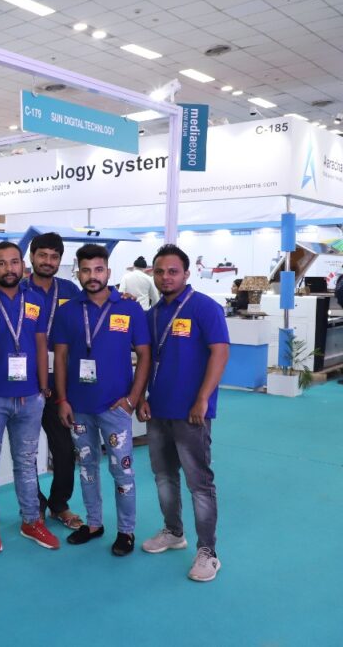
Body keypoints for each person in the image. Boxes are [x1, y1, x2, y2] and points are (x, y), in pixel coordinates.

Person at [137, 244, 229, 582]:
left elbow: (220, 352)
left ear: (187, 274)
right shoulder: (153, 314)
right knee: (164, 477)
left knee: (199, 484)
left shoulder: (205, 307)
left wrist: (203, 398)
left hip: (192, 413)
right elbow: (148, 359)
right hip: (158, 409)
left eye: (173, 271)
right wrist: (142, 397)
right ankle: (174, 532)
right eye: (160, 272)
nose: (166, 277)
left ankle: (208, 552)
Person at [53, 243, 151, 557]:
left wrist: (133, 399)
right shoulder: (68, 311)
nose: (92, 276)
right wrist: (62, 399)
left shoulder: (130, 308)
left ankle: (126, 530)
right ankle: (94, 524)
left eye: (98, 270)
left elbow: (145, 355)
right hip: (79, 407)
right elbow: (61, 357)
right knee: (87, 468)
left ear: (108, 272)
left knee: (122, 471)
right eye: (86, 270)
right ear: (78, 273)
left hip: (115, 407)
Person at [0, 241, 59, 555]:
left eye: (14, 262)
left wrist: (42, 386)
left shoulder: (35, 300)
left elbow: (40, 343)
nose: (8, 268)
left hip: (30, 397)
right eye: (1, 263)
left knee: (26, 462)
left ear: (23, 265)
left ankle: (31, 520)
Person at [24, 232, 83, 531]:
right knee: (26, 452)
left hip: (60, 383)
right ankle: (33, 504)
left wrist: (122, 297)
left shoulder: (70, 290)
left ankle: (60, 504)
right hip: (25, 382)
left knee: (63, 449)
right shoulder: (18, 289)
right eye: (42, 255)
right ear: (32, 257)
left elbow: (97, 306)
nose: (48, 261)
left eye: (54, 256)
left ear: (60, 260)